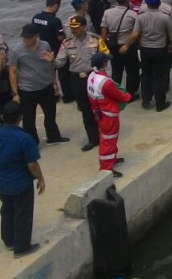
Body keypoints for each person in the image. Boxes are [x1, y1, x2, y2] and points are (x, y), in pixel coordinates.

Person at [0, 101, 45, 258]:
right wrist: (41, 179)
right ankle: (22, 248)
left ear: (2, 117)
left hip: (1, 183)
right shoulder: (24, 139)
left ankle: (9, 241)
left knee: (7, 210)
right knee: (22, 213)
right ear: (20, 118)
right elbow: (32, 164)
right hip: (21, 183)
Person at [9, 24, 67, 145]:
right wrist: (15, 93)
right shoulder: (16, 50)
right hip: (27, 89)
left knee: (50, 114)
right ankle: (32, 142)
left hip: (45, 86)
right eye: (24, 38)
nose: (26, 40)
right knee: (28, 119)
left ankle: (53, 137)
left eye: (29, 37)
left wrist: (54, 83)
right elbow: (13, 72)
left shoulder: (45, 45)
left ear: (36, 36)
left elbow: (50, 65)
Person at [121, 0, 172, 112]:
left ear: (147, 5)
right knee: (159, 76)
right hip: (159, 49)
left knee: (146, 74)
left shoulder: (140, 17)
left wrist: (126, 45)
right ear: (159, 4)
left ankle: (146, 99)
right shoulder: (165, 17)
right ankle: (160, 103)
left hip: (145, 50)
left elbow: (135, 34)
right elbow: (171, 34)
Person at [54, 15, 101, 151]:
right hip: (77, 80)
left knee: (99, 108)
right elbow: (60, 62)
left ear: (84, 26)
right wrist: (51, 60)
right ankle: (93, 138)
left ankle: (105, 134)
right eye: (72, 28)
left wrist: (105, 78)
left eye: (77, 27)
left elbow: (105, 58)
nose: (74, 30)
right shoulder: (66, 43)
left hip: (93, 77)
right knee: (85, 111)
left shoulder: (96, 39)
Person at [86, 52, 133, 178]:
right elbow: (119, 95)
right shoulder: (105, 82)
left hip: (99, 113)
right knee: (108, 140)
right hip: (108, 115)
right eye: (106, 61)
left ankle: (112, 159)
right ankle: (107, 168)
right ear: (103, 63)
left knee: (107, 138)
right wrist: (128, 96)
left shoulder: (91, 76)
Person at [101, 0, 139, 95]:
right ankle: (131, 93)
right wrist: (127, 45)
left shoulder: (107, 12)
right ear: (127, 0)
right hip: (128, 45)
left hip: (112, 45)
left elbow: (104, 30)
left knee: (116, 70)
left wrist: (103, 46)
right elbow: (135, 33)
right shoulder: (132, 14)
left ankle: (115, 92)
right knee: (132, 70)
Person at [31, 0, 66, 99]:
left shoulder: (36, 17)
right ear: (55, 6)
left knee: (42, 71)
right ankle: (56, 92)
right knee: (54, 72)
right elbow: (60, 37)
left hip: (39, 47)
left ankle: (46, 92)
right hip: (53, 49)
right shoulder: (55, 20)